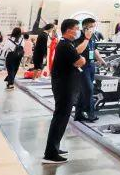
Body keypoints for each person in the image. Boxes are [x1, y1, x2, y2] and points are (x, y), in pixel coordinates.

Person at [43, 19, 86, 164]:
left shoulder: (67, 44)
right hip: (64, 87)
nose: (78, 31)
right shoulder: (65, 45)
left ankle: (54, 147)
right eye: (76, 28)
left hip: (65, 85)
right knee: (60, 118)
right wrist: (83, 59)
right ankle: (50, 153)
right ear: (68, 30)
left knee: (61, 118)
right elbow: (79, 61)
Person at [74, 17, 104, 123]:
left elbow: (94, 49)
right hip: (82, 66)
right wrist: (86, 38)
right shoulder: (79, 37)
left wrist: (101, 60)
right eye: (91, 26)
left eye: (94, 26)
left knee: (84, 91)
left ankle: (78, 114)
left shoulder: (92, 37)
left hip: (91, 66)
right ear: (85, 27)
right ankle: (91, 114)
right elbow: (78, 51)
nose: (93, 28)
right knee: (89, 90)